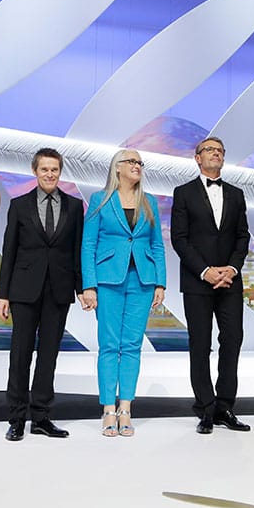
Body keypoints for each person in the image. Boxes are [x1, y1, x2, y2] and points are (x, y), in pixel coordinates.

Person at [0, 148, 85, 441]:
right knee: (20, 355)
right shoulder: (19, 205)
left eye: (54, 170)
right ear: (35, 171)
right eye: (44, 169)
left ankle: (42, 417)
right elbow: (9, 250)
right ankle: (17, 418)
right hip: (23, 290)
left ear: (60, 172)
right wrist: (3, 293)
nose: (49, 174)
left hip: (58, 291)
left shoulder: (74, 206)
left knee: (49, 355)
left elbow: (76, 252)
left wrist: (81, 288)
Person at [81, 149, 166, 437]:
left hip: (142, 280)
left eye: (140, 163)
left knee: (131, 346)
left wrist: (160, 283)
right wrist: (88, 285)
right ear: (117, 168)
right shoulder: (99, 199)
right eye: (132, 162)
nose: (137, 166)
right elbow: (88, 245)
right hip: (107, 280)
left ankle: (126, 408)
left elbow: (157, 245)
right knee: (109, 345)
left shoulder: (149, 201)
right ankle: (107, 409)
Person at [171, 137, 250, 434]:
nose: (215, 153)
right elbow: (180, 238)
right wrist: (205, 271)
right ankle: (205, 408)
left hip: (230, 281)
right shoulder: (183, 193)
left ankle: (225, 406)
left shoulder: (237, 193)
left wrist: (230, 268)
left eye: (220, 150)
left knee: (232, 341)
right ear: (197, 158)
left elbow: (242, 236)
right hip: (197, 281)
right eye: (210, 150)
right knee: (200, 344)